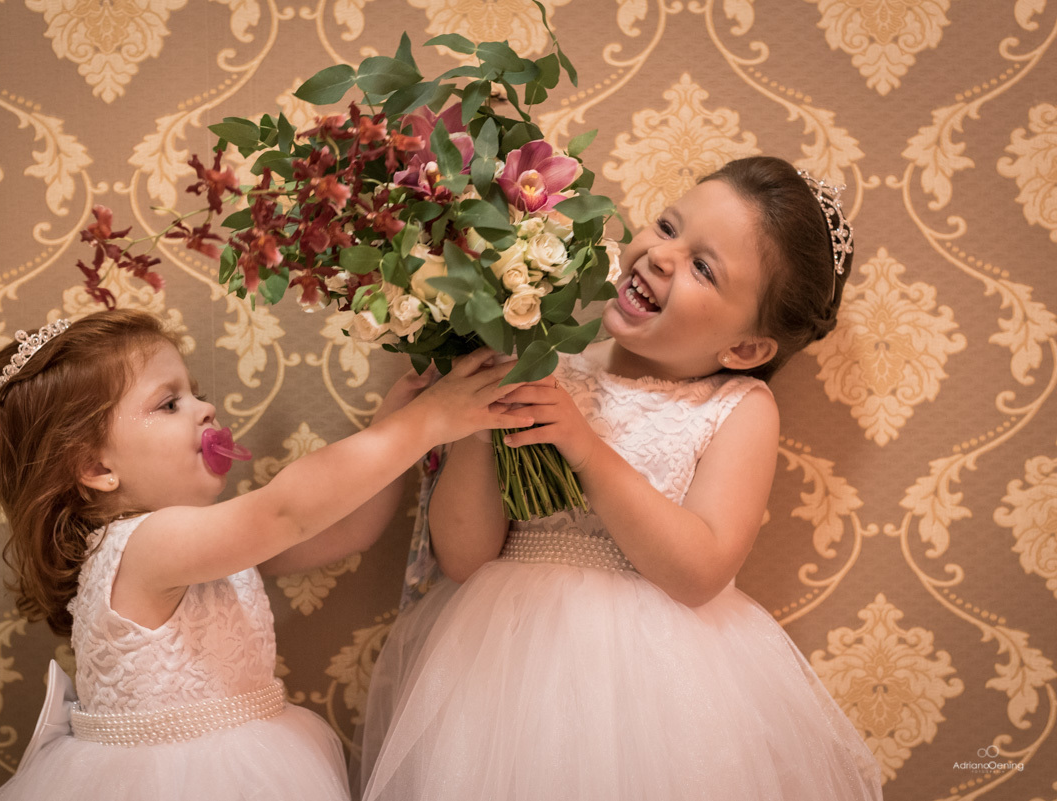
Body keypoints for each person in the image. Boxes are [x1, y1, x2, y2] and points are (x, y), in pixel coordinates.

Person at [358, 156, 884, 800]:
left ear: (744, 349)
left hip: (660, 687)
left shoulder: (737, 409)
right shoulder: (550, 364)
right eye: (668, 227)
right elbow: (465, 557)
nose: (662, 257)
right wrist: (480, 412)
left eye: (703, 268)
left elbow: (699, 571)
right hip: (505, 663)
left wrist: (585, 447)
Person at [0, 308, 529, 800]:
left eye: (192, 392)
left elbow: (350, 529)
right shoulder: (149, 546)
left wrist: (393, 424)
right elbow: (285, 512)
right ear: (97, 468)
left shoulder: (202, 544)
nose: (205, 407)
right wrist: (426, 422)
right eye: (169, 403)